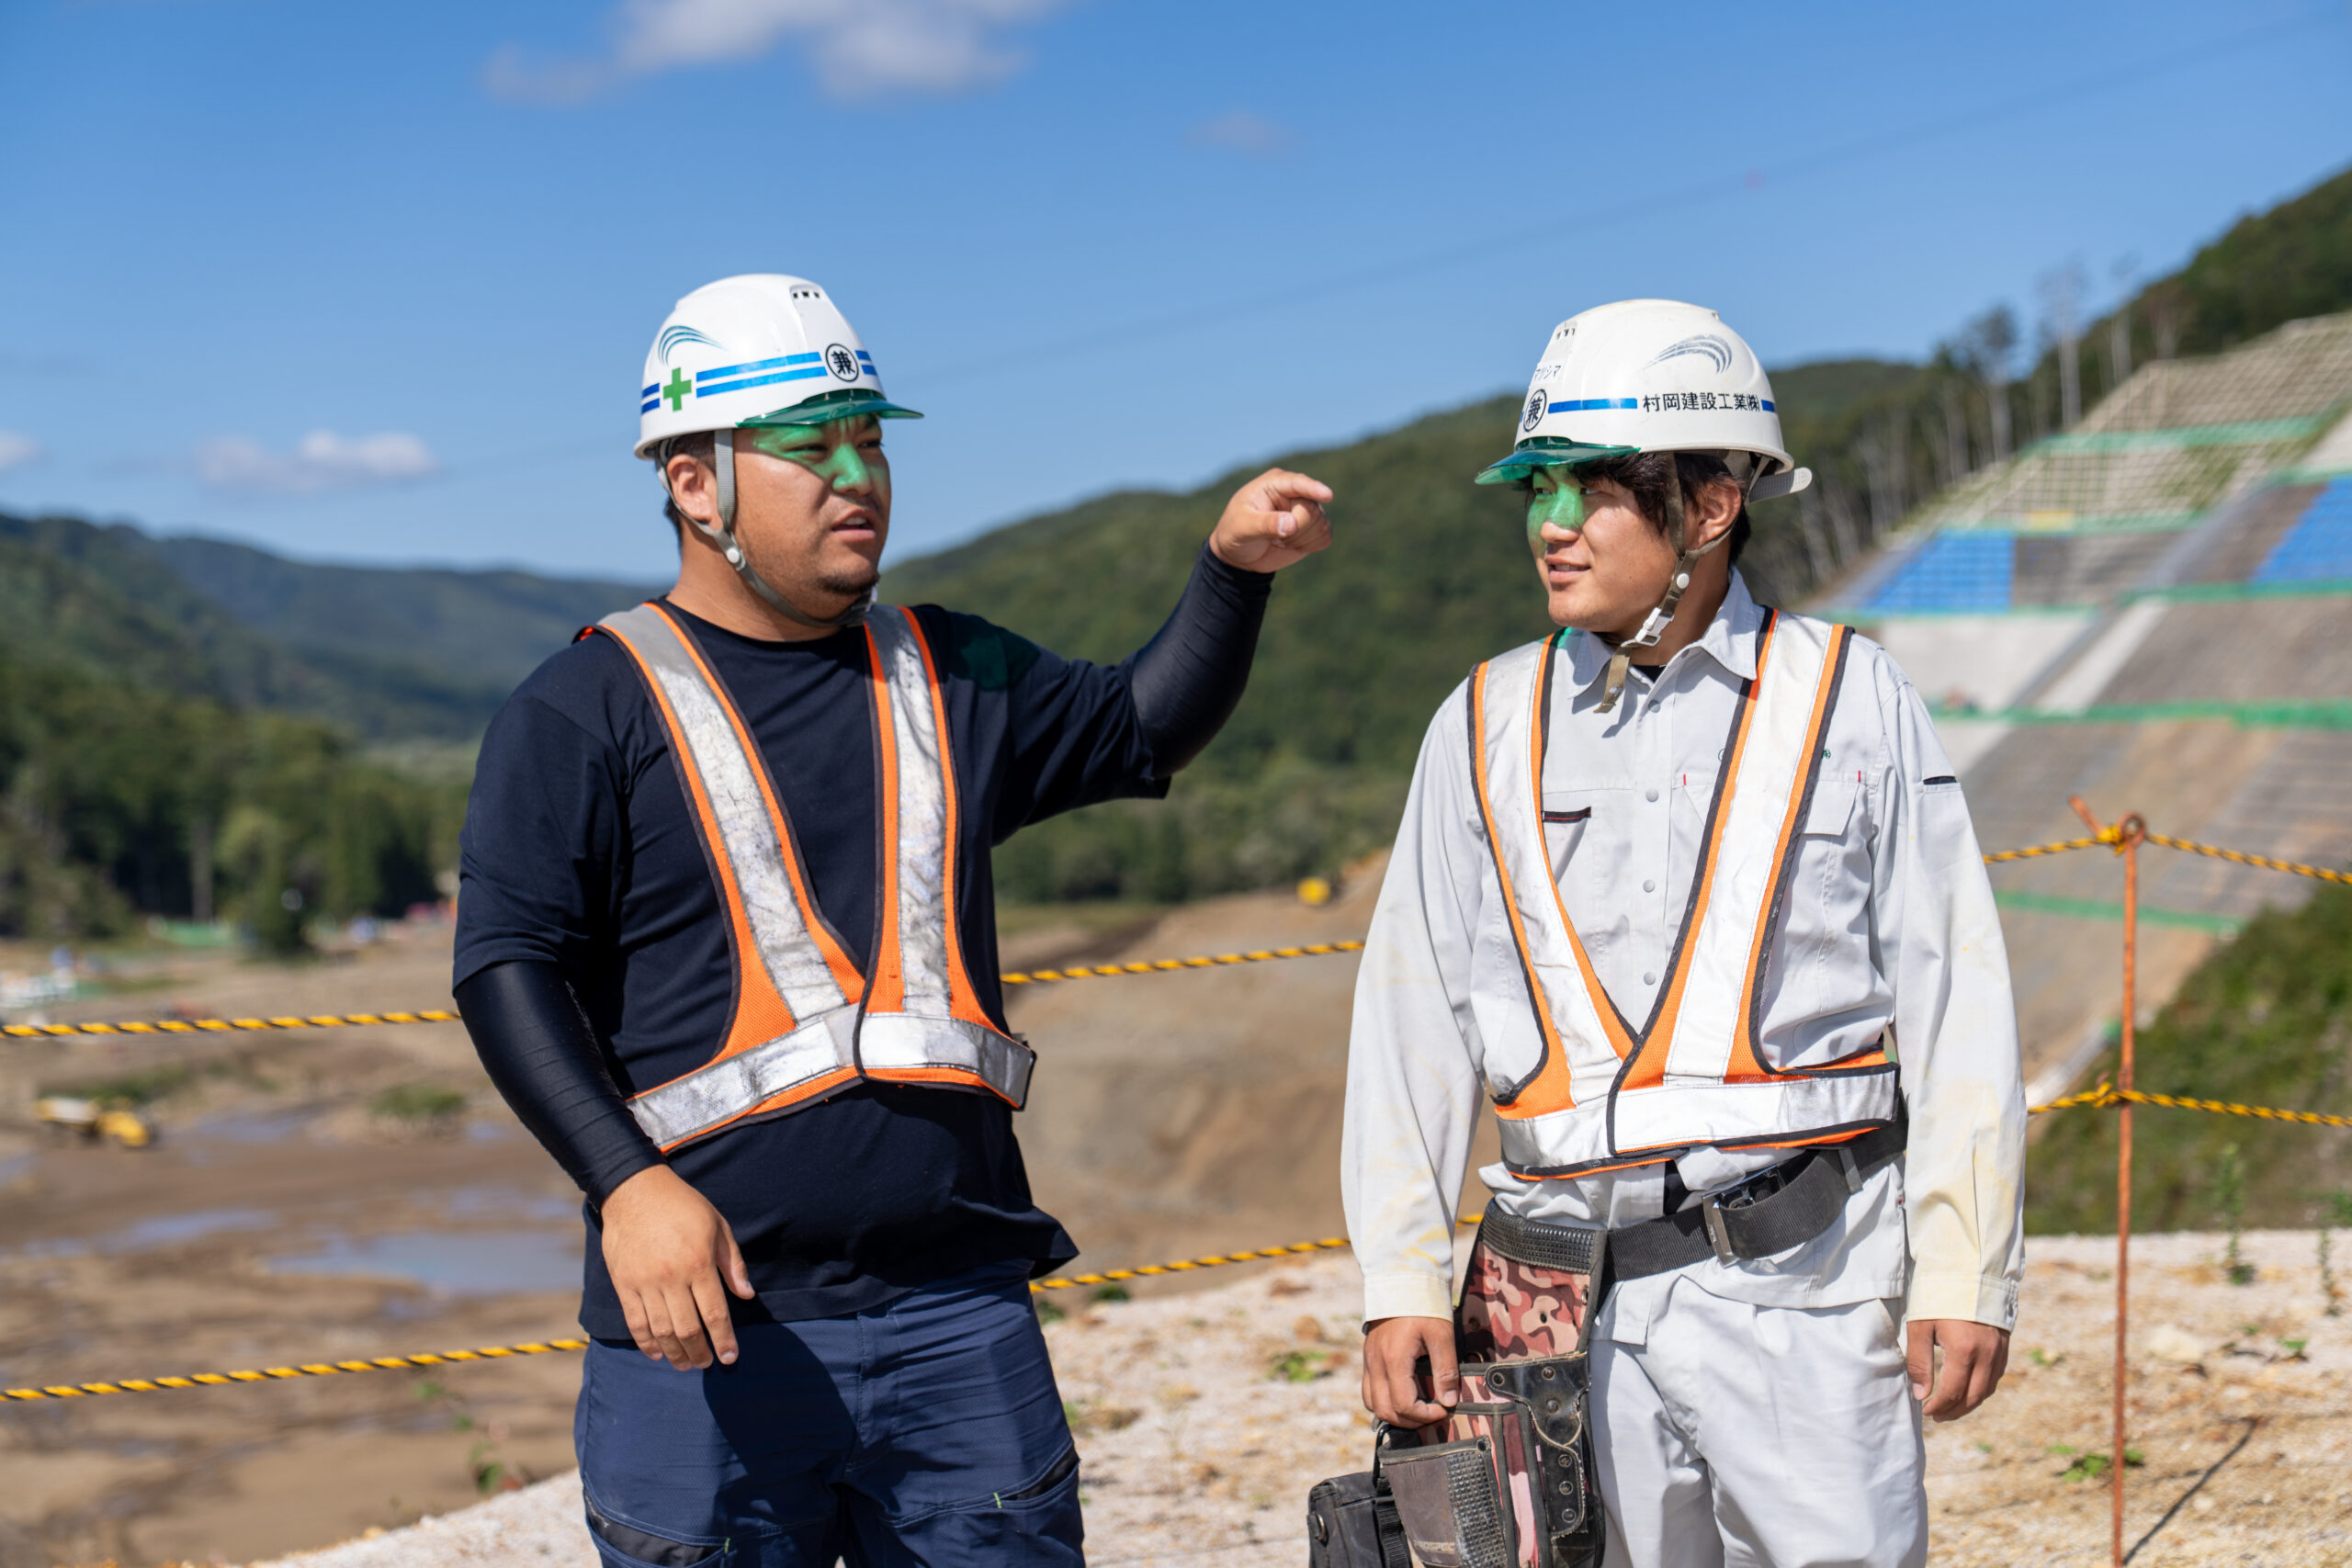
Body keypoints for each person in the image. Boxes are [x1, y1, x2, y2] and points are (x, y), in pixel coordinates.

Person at [455, 273, 1333, 1567]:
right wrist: (626, 1185)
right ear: (694, 483)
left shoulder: (949, 668)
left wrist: (1231, 575)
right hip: (710, 1340)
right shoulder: (586, 705)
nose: (855, 473)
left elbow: (1143, 723)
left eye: (869, 438)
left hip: (957, 1323)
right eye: (810, 445)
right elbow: (506, 967)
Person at [1340, 299, 2024, 1568]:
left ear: (1711, 505)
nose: (1549, 525)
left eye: (1591, 490)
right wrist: (1396, 1280)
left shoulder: (1855, 701)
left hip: (1806, 1297)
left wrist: (1965, 1268)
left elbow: (1956, 999)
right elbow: (1409, 1019)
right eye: (1537, 487)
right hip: (1552, 1315)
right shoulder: (1480, 723)